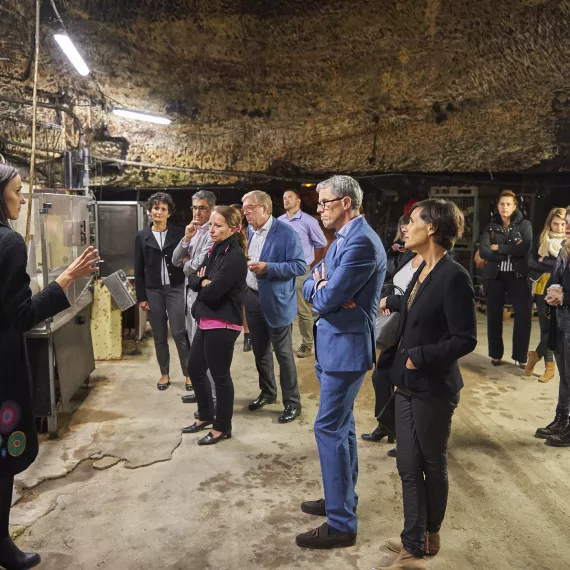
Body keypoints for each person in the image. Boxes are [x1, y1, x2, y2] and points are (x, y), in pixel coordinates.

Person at [0, 164, 100, 570]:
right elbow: (20, 316)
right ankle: (2, 544)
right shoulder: (8, 244)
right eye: (18, 191)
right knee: (4, 459)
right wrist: (66, 280)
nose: (23, 200)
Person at [375, 199, 477, 570]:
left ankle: (420, 541)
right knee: (407, 462)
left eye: (414, 221)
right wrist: (397, 304)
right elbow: (420, 310)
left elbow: (464, 339)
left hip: (433, 387)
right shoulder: (423, 271)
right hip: (406, 382)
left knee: (430, 463)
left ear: (432, 228)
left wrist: (421, 354)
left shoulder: (454, 276)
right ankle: (416, 536)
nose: (406, 227)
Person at [295, 175, 386, 549]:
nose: (319, 209)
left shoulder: (362, 242)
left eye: (325, 202)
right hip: (333, 343)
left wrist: (323, 288)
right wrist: (322, 285)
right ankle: (340, 501)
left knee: (328, 429)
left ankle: (341, 524)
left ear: (347, 203)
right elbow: (312, 283)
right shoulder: (344, 240)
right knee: (342, 426)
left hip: (346, 349)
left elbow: (324, 296)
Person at [181, 206, 247, 445]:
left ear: (233, 228)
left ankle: (222, 427)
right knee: (195, 369)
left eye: (218, 225)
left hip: (223, 323)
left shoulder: (235, 256)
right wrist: (202, 281)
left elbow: (214, 293)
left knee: (220, 376)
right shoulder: (215, 249)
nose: (212, 229)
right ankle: (206, 414)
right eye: (210, 225)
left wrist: (204, 283)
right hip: (207, 319)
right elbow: (191, 277)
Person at [242, 190, 306, 424]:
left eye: (250, 208)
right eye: (244, 209)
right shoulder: (250, 230)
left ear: (265, 209)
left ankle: (293, 403)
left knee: (284, 355)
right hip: (253, 298)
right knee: (260, 352)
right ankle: (268, 392)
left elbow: (300, 266)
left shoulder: (286, 232)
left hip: (277, 302)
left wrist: (269, 267)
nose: (245, 213)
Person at [363, 222, 424, 456]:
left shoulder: (432, 263)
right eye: (403, 225)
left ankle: (408, 438)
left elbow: (415, 299)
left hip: (414, 330)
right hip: (397, 326)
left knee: (406, 384)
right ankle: (387, 425)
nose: (405, 229)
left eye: (411, 224)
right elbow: (394, 283)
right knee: (381, 377)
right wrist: (388, 299)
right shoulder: (408, 256)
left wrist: (392, 302)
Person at [135, 192, 191, 391]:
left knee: (179, 332)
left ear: (169, 213)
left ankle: (188, 374)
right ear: (150, 211)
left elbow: (187, 257)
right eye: (156, 208)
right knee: (159, 335)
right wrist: (141, 297)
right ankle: (164, 374)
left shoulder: (178, 233)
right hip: (153, 291)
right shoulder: (142, 236)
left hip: (175, 288)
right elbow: (139, 267)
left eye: (163, 209)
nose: (159, 212)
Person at [479, 190, 533, 368]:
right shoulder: (490, 226)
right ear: (498, 206)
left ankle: (521, 356)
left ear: (515, 206)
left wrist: (499, 248)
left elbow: (524, 248)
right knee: (494, 316)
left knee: (523, 317)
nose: (505, 207)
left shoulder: (524, 225)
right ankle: (495, 354)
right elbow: (484, 251)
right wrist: (508, 251)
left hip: (518, 276)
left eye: (509, 204)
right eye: (502, 204)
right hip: (495, 276)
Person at [172, 190, 215, 403]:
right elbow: (175, 260)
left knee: (206, 349)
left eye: (202, 208)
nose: (197, 212)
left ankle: (213, 395)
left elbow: (195, 265)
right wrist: (187, 238)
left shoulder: (212, 233)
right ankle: (202, 392)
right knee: (194, 345)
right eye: (194, 208)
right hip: (190, 293)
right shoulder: (195, 231)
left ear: (211, 209)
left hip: (203, 294)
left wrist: (188, 263)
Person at [536, 206, 570, 447]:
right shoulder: (565, 249)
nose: (567, 225)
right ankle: (561, 420)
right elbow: (557, 278)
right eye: (566, 221)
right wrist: (553, 291)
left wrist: (564, 297)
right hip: (561, 318)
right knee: (565, 375)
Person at [279, 189, 327, 358]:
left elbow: (321, 242)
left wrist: (310, 260)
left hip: (301, 270)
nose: (286, 199)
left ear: (298, 201)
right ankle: (284, 343)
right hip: (283, 270)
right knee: (283, 307)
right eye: (284, 197)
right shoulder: (279, 221)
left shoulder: (308, 221)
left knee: (303, 309)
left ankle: (307, 345)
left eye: (289, 197)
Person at [526, 208, 567, 382]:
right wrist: (553, 264)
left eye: (563, 224)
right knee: (545, 328)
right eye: (555, 223)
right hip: (542, 286)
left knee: (557, 330)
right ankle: (549, 368)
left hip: (562, 289)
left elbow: (561, 264)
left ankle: (535, 355)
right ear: (549, 223)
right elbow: (531, 263)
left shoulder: (568, 242)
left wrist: (547, 262)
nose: (559, 227)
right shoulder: (540, 239)